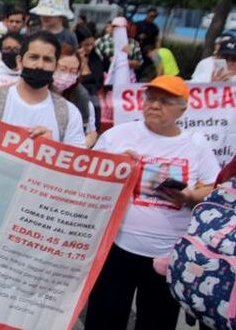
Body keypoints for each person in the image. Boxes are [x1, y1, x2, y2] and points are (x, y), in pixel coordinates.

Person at [84, 75, 219, 330]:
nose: (155, 105)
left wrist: (190, 197)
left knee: (157, 323)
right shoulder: (117, 136)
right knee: (104, 319)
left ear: (183, 108)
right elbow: (90, 179)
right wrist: (116, 165)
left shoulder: (196, 144)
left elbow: (213, 186)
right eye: (151, 98)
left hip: (167, 257)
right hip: (117, 249)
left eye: (165, 101)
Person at [0, 31, 86, 147]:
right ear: (19, 61)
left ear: (55, 66)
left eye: (47, 60)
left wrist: (52, 147)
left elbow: (74, 161)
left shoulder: (69, 114)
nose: (40, 65)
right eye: (33, 57)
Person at [51, 44, 98, 147]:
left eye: (73, 71)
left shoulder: (81, 98)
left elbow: (91, 132)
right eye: (62, 69)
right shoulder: (35, 93)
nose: (67, 75)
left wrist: (79, 146)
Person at [75, 23, 104, 127]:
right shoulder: (72, 59)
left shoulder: (95, 57)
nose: (90, 48)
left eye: (92, 44)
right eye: (86, 45)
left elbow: (98, 79)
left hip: (93, 98)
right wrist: (80, 60)